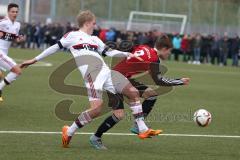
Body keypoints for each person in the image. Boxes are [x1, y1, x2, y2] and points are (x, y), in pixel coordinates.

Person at [21, 10, 161, 148]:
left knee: (133, 92)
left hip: (106, 72)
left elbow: (108, 52)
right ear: (87, 23)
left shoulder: (95, 39)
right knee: (96, 110)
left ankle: (142, 129)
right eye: (94, 23)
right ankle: (69, 131)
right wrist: (34, 59)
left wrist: (126, 54)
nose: (95, 25)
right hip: (92, 76)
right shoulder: (72, 35)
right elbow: (54, 48)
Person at [90, 34, 190, 149]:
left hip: (124, 79)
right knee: (119, 115)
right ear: (164, 49)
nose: (169, 54)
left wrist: (108, 51)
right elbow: (159, 80)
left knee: (151, 95)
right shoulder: (154, 59)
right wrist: (179, 81)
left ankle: (138, 125)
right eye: (169, 51)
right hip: (113, 81)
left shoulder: (144, 47)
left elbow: (126, 47)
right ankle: (96, 137)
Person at [0, 3, 24, 102]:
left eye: (16, 12)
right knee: (17, 70)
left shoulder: (17, 25)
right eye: (12, 11)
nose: (15, 13)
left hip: (4, 54)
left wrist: (19, 39)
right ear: (8, 12)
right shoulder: (3, 22)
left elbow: (15, 38)